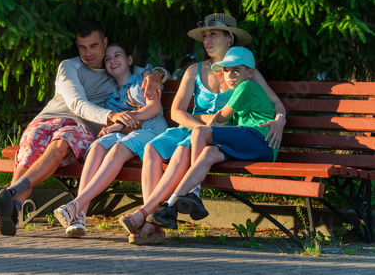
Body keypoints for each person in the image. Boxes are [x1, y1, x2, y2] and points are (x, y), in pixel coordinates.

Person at [0, 19, 168, 236]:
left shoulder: (114, 69)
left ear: (105, 43)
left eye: (94, 46)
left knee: (61, 144)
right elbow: (77, 103)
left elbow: (151, 72)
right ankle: (11, 208)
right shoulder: (69, 67)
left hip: (79, 127)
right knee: (30, 149)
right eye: (82, 47)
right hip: (48, 119)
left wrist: (157, 73)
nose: (88, 53)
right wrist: (112, 116)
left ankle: (10, 194)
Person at [118, 13, 286, 244]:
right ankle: (155, 222)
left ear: (229, 38)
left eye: (213, 34)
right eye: (205, 36)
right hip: (196, 129)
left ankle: (148, 220)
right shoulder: (194, 70)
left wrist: (280, 120)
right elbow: (177, 112)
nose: (207, 40)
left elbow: (275, 103)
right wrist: (200, 126)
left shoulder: (245, 71)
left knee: (181, 152)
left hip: (222, 135)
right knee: (151, 149)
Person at [149, 46, 280, 228]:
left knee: (200, 132)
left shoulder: (246, 87)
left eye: (236, 70)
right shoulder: (241, 88)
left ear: (250, 73)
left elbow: (219, 120)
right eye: (226, 71)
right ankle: (170, 207)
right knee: (209, 154)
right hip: (248, 142)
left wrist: (190, 120)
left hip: (260, 139)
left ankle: (195, 191)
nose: (230, 76)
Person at [53, 43, 168, 238]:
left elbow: (153, 109)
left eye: (117, 55)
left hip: (152, 131)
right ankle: (80, 216)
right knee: (97, 146)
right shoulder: (112, 98)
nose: (113, 60)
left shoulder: (142, 80)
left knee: (116, 150)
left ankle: (76, 205)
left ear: (129, 60)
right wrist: (110, 129)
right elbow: (119, 125)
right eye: (107, 59)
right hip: (129, 135)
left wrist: (122, 125)